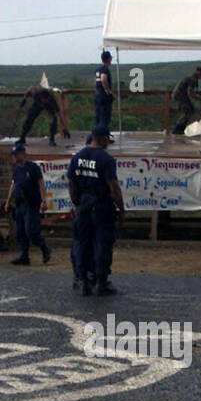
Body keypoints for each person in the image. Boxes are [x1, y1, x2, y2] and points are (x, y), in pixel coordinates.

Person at [67, 126, 125, 296]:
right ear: (103, 138)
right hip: (101, 204)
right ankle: (101, 281)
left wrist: (77, 202)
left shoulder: (77, 157)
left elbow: (71, 183)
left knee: (82, 242)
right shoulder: (106, 159)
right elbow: (113, 187)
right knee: (102, 243)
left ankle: (83, 278)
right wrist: (121, 209)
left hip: (83, 204)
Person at [5, 143, 52, 266]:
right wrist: (8, 200)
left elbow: (41, 184)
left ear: (23, 154)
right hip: (20, 203)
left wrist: (44, 200)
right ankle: (24, 255)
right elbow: (13, 184)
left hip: (31, 202)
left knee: (31, 230)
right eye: (14, 155)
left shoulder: (33, 167)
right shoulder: (16, 169)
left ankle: (44, 247)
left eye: (17, 154)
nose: (15, 157)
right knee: (20, 231)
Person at [171, 67, 201, 135]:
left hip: (182, 96)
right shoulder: (192, 80)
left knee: (190, 110)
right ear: (199, 72)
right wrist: (198, 98)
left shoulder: (192, 79)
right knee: (187, 111)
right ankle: (177, 129)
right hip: (180, 96)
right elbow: (190, 92)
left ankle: (181, 128)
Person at [94, 51, 115, 131]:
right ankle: (103, 136)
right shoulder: (104, 69)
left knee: (98, 116)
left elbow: (95, 81)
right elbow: (103, 79)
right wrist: (108, 91)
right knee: (105, 117)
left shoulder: (98, 69)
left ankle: (98, 135)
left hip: (97, 95)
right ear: (108, 59)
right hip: (103, 96)